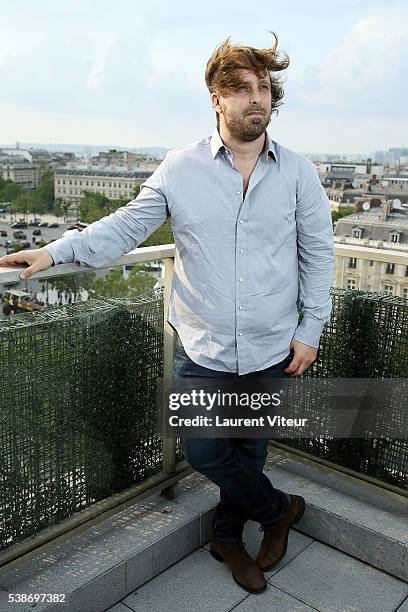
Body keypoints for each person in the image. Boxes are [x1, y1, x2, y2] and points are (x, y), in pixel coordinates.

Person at [0, 33, 335, 594]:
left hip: (272, 344)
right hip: (204, 346)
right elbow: (128, 227)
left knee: (248, 451)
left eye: (263, 89)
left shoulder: (299, 173)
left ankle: (228, 538)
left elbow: (318, 253)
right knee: (204, 448)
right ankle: (280, 509)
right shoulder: (180, 169)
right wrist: (54, 250)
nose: (256, 99)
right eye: (242, 89)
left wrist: (310, 330)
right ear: (216, 98)